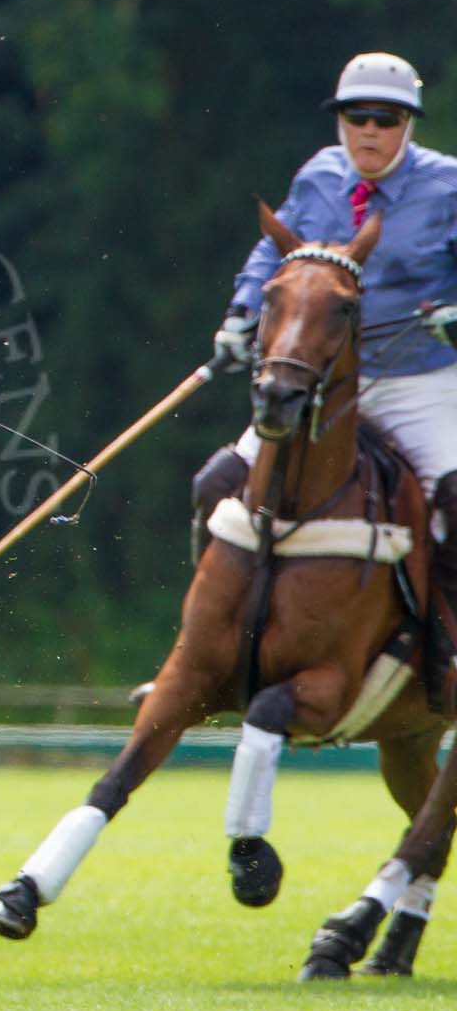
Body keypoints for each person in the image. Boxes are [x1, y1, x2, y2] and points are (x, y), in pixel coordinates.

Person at [196, 51, 457, 714]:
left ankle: (441, 653)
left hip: (417, 380)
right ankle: (208, 648)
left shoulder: (448, 186)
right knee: (217, 484)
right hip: (325, 387)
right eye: (355, 116)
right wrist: (240, 313)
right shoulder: (319, 176)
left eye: (386, 118)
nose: (368, 130)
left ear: (409, 125)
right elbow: (272, 253)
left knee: (453, 498)